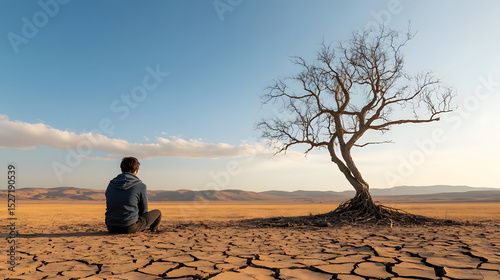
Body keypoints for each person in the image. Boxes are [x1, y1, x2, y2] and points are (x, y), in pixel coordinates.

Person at [105, 157, 161, 233]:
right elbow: (144, 210)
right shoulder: (140, 186)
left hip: (111, 227)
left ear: (121, 169)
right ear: (136, 171)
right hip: (129, 227)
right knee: (158, 213)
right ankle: (153, 230)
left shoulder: (111, 184)